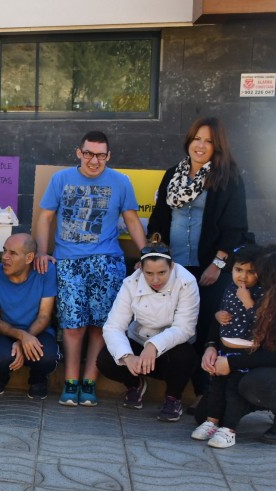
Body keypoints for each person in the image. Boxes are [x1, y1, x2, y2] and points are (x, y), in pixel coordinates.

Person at [35, 130, 147, 406]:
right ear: (79, 153)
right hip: (69, 262)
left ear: (108, 156)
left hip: (107, 262)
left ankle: (90, 382)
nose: (93, 160)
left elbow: (132, 220)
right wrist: (41, 251)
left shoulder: (121, 182)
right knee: (73, 326)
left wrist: (146, 255)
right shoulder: (60, 179)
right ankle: (70, 381)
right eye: (88, 154)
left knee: (101, 325)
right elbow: (45, 217)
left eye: (100, 155)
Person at [198, 244, 276, 447]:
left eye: (263, 272)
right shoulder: (254, 290)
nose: (257, 276)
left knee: (254, 384)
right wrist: (210, 346)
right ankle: (247, 404)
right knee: (205, 414)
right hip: (253, 359)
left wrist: (230, 362)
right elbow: (222, 319)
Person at [149, 118, 248, 348]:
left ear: (218, 146)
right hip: (173, 267)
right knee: (171, 326)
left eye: (209, 141)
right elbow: (158, 220)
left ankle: (203, 382)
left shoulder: (229, 179)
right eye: (197, 139)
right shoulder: (172, 174)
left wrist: (217, 264)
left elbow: (236, 228)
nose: (200, 146)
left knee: (205, 326)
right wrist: (156, 255)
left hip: (209, 268)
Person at [96, 236, 200, 421]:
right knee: (106, 359)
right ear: (140, 268)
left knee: (185, 357)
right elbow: (113, 327)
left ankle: (173, 398)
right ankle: (134, 383)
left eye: (162, 272)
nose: (156, 279)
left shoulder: (187, 282)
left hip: (171, 348)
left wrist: (153, 346)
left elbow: (185, 328)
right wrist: (127, 357)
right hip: (139, 339)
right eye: (149, 273)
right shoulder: (131, 283)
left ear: (172, 266)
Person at [191, 244, 263, 444]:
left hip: (245, 355)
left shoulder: (261, 293)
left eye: (251, 272)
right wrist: (218, 315)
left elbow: (263, 323)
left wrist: (248, 301)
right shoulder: (229, 289)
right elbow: (221, 315)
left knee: (233, 391)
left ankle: (229, 429)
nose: (243, 276)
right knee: (216, 388)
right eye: (238, 270)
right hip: (225, 350)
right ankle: (211, 422)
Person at [0, 234, 59, 400]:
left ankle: (38, 378)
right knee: (2, 357)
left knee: (47, 357)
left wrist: (25, 340)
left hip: (38, 330)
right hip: (6, 331)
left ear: (29, 257)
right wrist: (22, 337)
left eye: (13, 253)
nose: (5, 257)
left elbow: (44, 316)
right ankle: (1, 374)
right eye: (4, 251)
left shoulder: (46, 271)